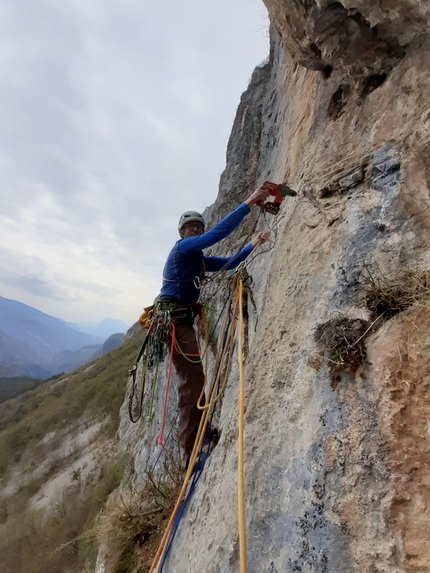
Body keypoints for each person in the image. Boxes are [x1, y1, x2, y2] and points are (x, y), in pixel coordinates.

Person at [158, 186, 271, 466]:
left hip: (182, 320)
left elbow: (229, 263)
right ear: (182, 233)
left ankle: (202, 434)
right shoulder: (183, 249)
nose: (194, 230)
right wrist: (247, 203)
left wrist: (254, 244)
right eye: (190, 227)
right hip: (175, 321)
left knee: (195, 377)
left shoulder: (197, 260)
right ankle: (190, 451)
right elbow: (215, 236)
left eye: (198, 226)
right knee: (193, 379)